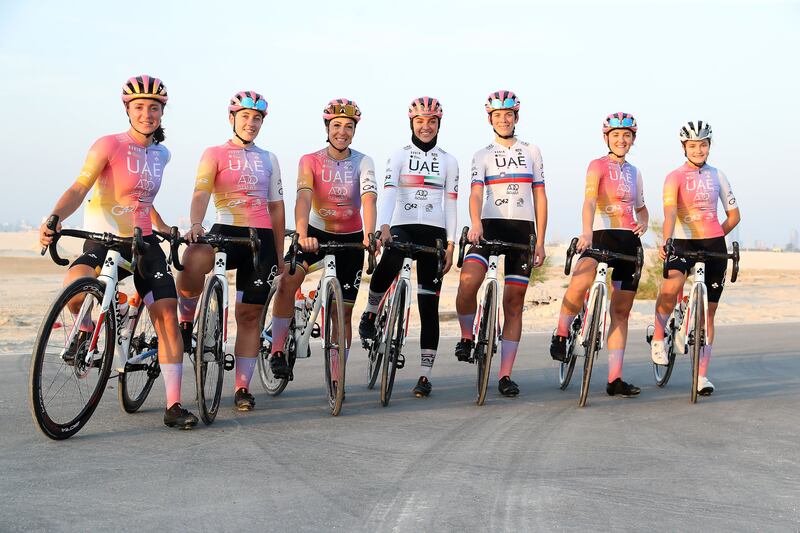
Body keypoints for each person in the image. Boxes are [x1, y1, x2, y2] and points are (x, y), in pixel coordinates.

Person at [38, 75, 197, 429]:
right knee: (74, 287)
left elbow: (143, 200)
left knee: (167, 316)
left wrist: (162, 224)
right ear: (128, 109)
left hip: (143, 243)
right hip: (104, 238)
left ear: (162, 112)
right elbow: (81, 187)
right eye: (139, 107)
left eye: (153, 108)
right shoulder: (109, 144)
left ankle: (173, 405)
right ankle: (88, 327)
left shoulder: (162, 153)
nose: (147, 114)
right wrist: (55, 216)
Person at [175, 91, 285, 412]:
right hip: (225, 230)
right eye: (245, 117)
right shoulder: (214, 153)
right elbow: (201, 191)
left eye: (257, 118)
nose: (251, 123)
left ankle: (241, 387)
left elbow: (276, 209)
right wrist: (196, 222)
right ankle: (185, 321)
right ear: (232, 118)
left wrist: (279, 255)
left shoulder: (269, 159)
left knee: (249, 316)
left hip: (260, 240)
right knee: (193, 259)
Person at [269, 99, 377, 383]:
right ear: (327, 127)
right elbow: (303, 198)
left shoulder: (363, 161)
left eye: (349, 127)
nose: (342, 131)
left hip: (351, 240)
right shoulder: (311, 160)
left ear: (355, 130)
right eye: (337, 125)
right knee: (289, 280)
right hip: (315, 235)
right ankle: (277, 349)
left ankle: (337, 378)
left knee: (342, 314)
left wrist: (370, 233)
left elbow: (368, 198)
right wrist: (302, 234)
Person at [358, 96, 458, 397]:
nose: (425, 127)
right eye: (420, 121)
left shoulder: (449, 161)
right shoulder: (399, 155)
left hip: (434, 232)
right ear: (411, 124)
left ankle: (425, 375)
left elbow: (451, 204)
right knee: (390, 259)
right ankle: (372, 311)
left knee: (429, 306)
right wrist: (384, 226)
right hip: (401, 224)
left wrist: (451, 244)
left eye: (431, 121)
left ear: (439, 123)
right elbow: (388, 193)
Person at [454, 90, 548, 397]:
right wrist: (476, 222)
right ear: (490, 119)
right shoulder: (481, 155)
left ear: (516, 117)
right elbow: (475, 192)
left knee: (514, 304)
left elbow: (540, 196)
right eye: (497, 116)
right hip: (489, 227)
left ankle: (505, 374)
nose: (504, 120)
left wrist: (541, 241)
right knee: (468, 282)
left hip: (522, 232)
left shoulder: (532, 150)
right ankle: (468, 337)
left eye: (509, 115)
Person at [549, 112, 648, 397]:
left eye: (626, 135)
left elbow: (641, 207)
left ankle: (614, 379)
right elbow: (590, 200)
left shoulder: (635, 172)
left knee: (621, 311)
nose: (621, 139)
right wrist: (586, 232)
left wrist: (643, 220)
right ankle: (562, 332)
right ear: (607, 138)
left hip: (628, 242)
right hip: (600, 235)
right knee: (580, 280)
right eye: (616, 135)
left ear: (632, 140)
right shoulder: (597, 166)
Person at [650, 121, 740, 396]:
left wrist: (715, 235)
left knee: (709, 313)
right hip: (682, 240)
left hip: (713, 244)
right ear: (684, 147)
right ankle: (657, 336)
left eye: (703, 145)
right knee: (672, 286)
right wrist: (667, 240)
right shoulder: (674, 176)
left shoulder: (718, 175)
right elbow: (669, 214)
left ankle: (702, 376)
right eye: (693, 145)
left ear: (709, 146)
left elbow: (734, 215)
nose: (698, 150)